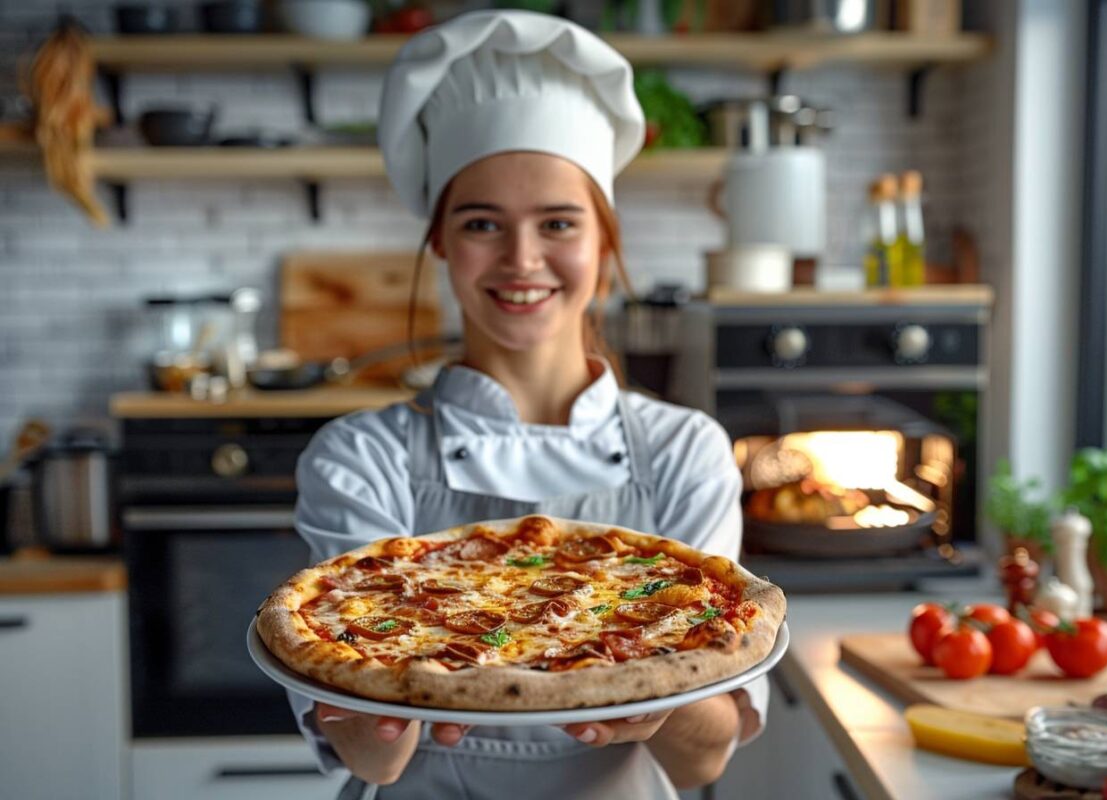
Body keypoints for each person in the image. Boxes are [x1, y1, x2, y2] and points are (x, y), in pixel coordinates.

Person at [286, 10, 770, 799]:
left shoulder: (685, 448)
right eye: (483, 223)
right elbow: (376, 760)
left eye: (558, 223)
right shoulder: (358, 454)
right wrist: (380, 707)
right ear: (440, 240)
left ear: (604, 243)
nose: (522, 259)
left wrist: (655, 700)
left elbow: (704, 758)